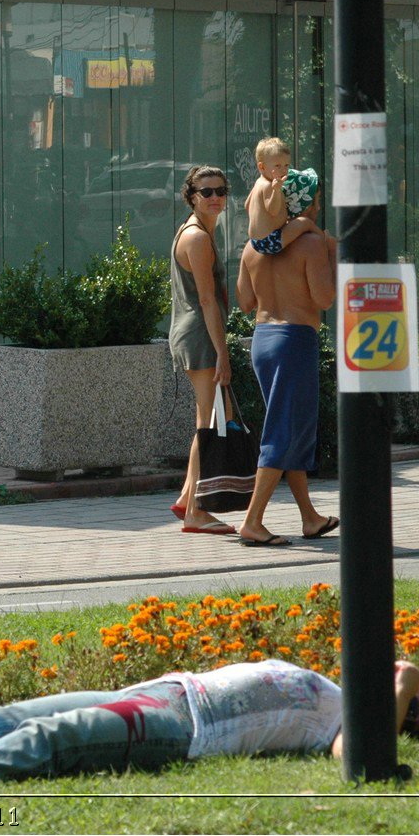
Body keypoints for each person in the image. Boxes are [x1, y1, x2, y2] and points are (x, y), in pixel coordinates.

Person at [0, 658, 419, 788]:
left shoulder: (342, 724)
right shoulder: (330, 682)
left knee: (51, 741)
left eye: (412, 708)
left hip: (185, 727)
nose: (404, 691)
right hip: (162, 691)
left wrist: (405, 685)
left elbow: (352, 757)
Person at [235, 170, 340, 547]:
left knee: (290, 426)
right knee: (282, 430)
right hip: (295, 339)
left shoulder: (253, 248)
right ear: (309, 203)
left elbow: (246, 303)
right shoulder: (313, 245)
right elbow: (324, 299)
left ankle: (309, 517)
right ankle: (253, 521)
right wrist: (331, 254)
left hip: (263, 339)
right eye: (317, 197)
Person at [167, 165, 237, 535]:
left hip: (194, 333)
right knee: (208, 424)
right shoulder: (196, 238)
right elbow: (208, 301)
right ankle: (195, 511)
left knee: (208, 418)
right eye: (206, 192)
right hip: (199, 336)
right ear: (191, 196)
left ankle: (185, 498)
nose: (215, 198)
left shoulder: (199, 232)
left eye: (221, 191)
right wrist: (223, 354)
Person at [246, 138, 323, 256]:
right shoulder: (269, 186)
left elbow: (247, 204)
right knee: (305, 222)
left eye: (286, 165)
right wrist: (276, 190)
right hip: (271, 240)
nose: (283, 170)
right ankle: (324, 238)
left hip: (256, 241)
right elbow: (273, 210)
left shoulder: (258, 183)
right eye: (277, 166)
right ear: (261, 167)